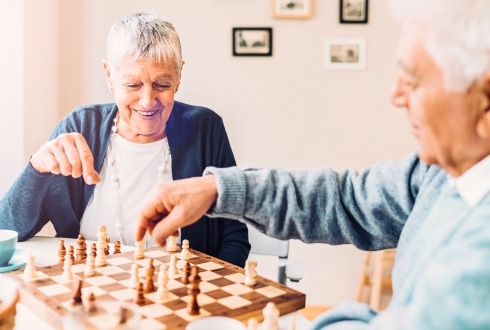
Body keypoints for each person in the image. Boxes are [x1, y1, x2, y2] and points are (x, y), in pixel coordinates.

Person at [135, 0, 490, 328]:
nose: (395, 95)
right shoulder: (439, 173)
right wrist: (216, 189)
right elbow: (346, 199)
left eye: (413, 79)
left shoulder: (479, 256)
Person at [0, 12, 250, 267]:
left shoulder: (205, 129)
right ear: (109, 75)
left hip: (180, 296)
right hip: (89, 292)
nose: (147, 101)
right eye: (132, 85)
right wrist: (37, 168)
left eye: (162, 84)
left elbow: (234, 235)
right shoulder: (80, 127)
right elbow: (8, 229)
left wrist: (210, 292)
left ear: (179, 75)